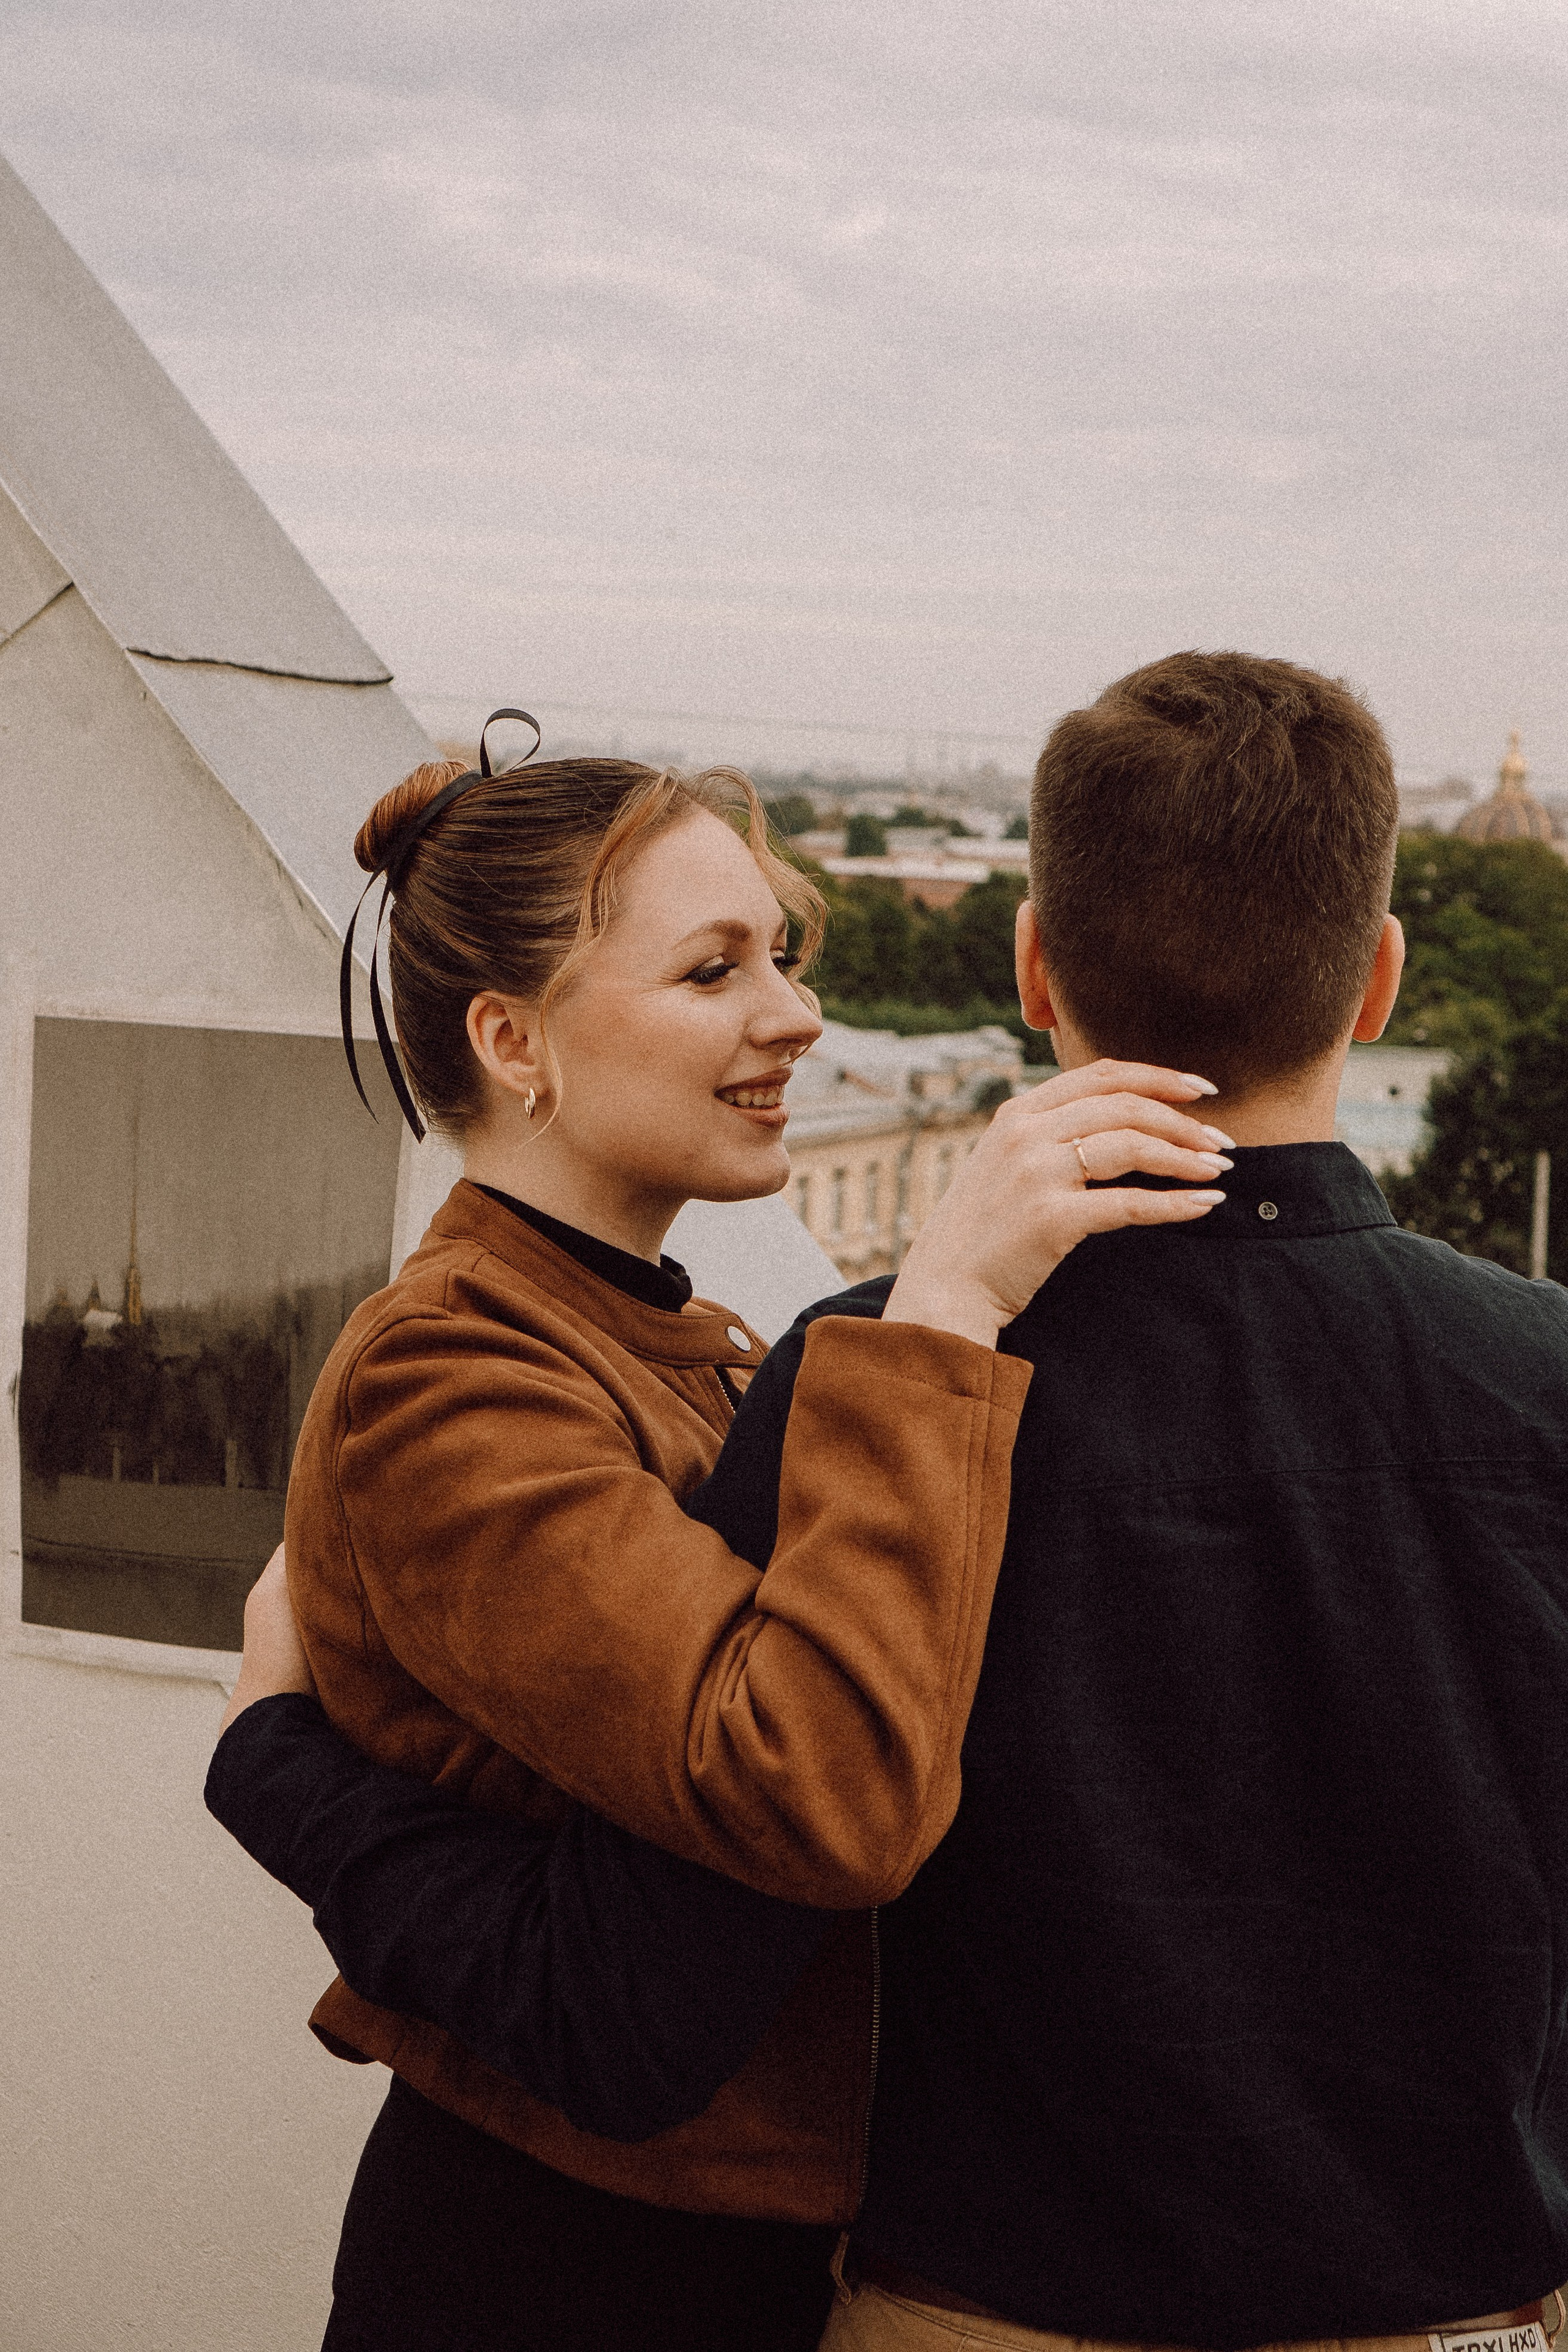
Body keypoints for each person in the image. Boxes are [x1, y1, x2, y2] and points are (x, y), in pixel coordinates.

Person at [215, 651, 1568, 2351]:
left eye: (783, 955)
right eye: (719, 969)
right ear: (1377, 981)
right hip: (579, 2271)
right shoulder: (490, 1372)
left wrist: (283, 1768)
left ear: (1030, 964)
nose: (796, 1016)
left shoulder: (741, 1358)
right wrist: (930, 1318)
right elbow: (750, 1861)